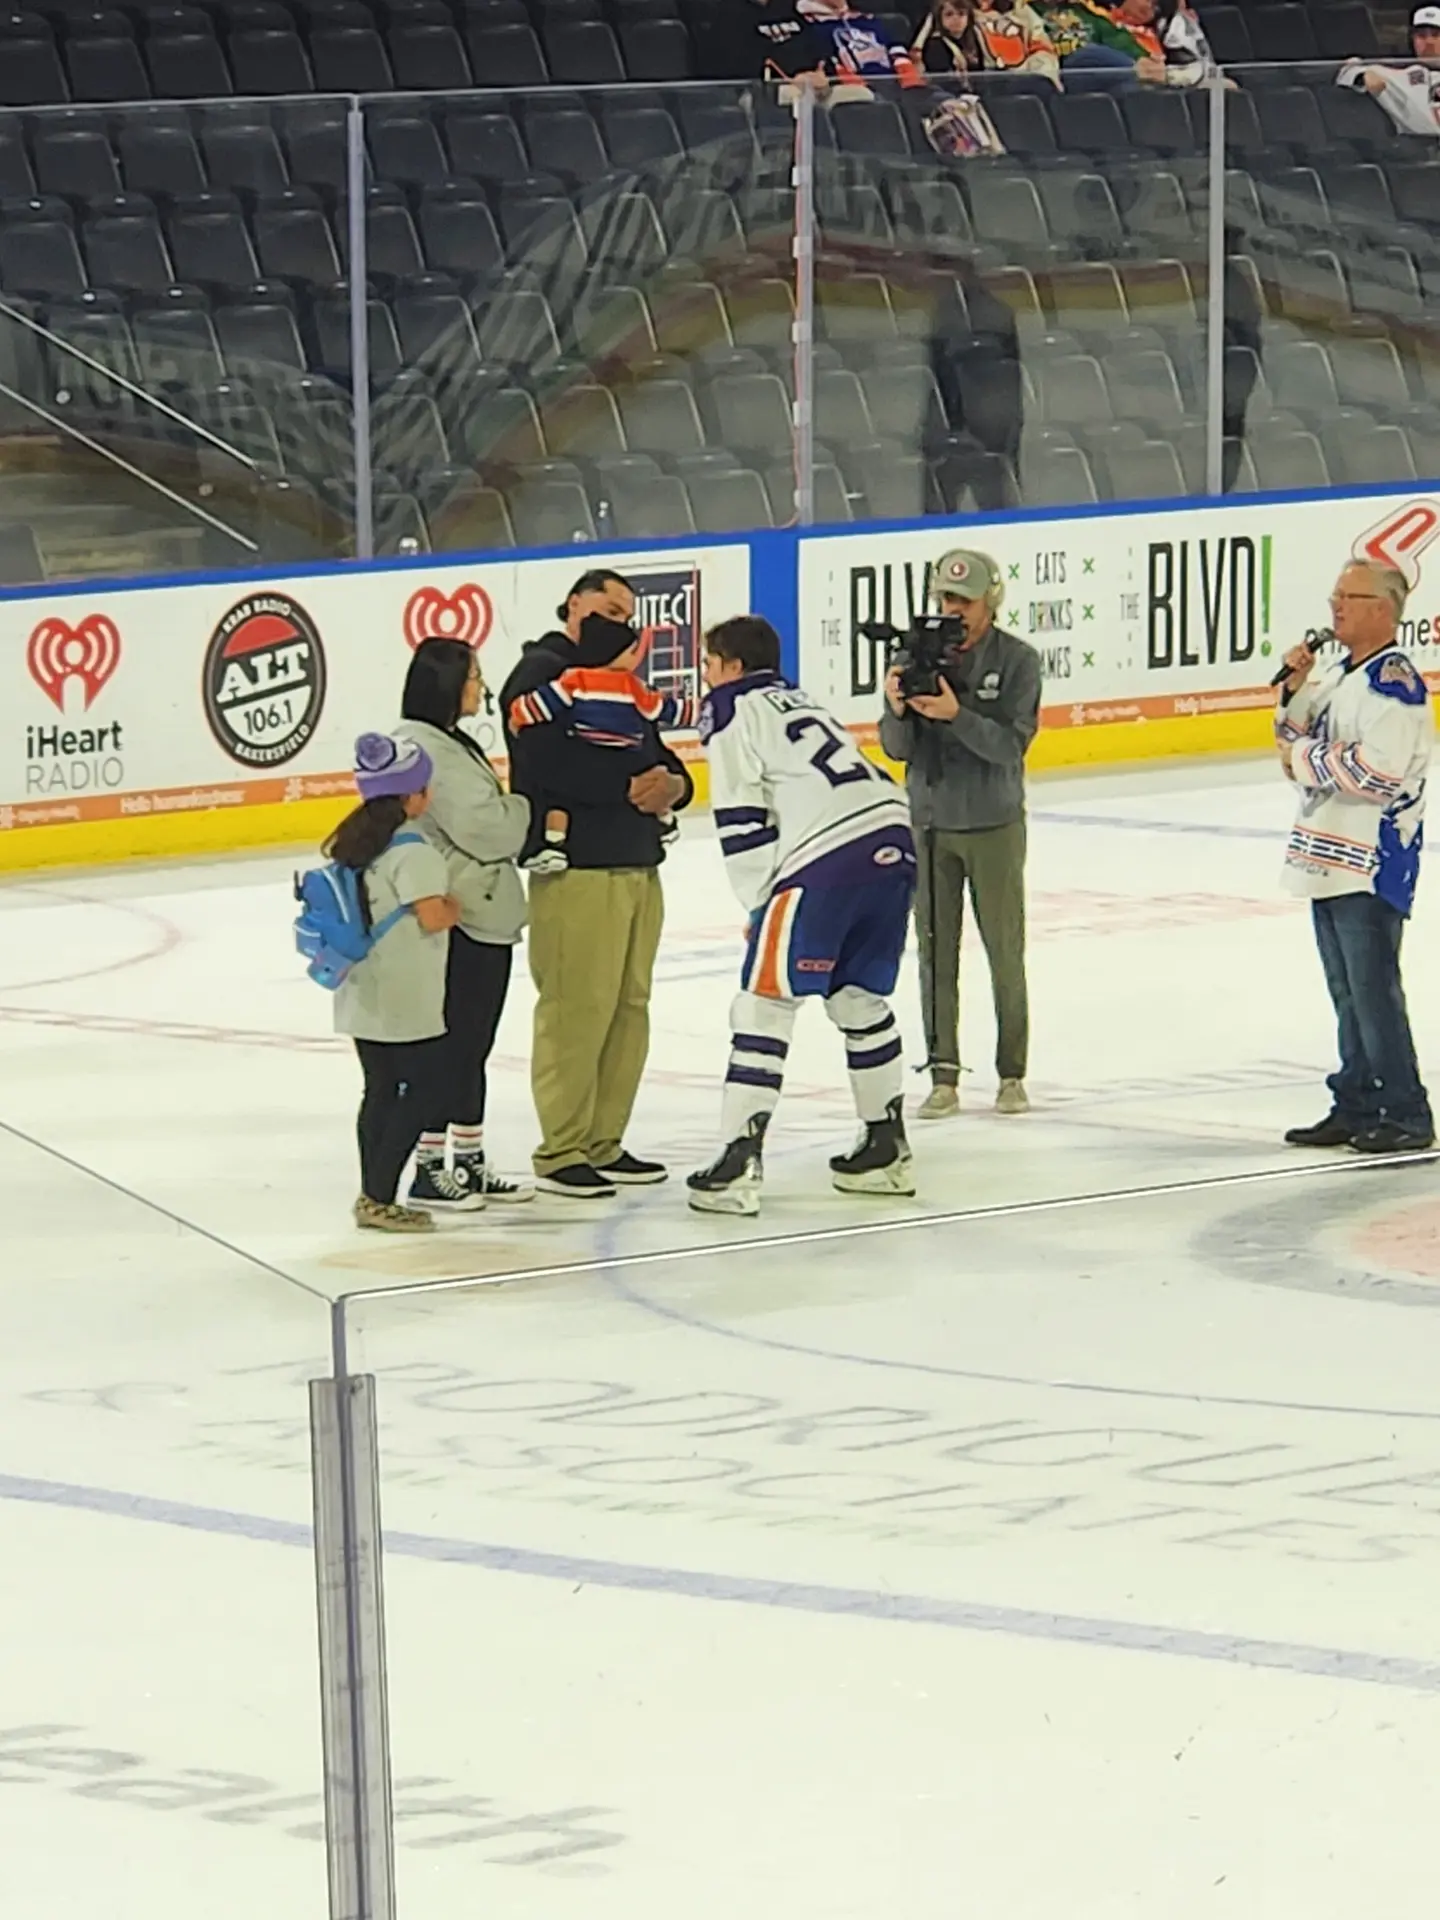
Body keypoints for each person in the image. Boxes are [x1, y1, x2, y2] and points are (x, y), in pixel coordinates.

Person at [687, 615, 917, 1216]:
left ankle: (738, 1160)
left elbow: (740, 811)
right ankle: (885, 1149)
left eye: (710, 664)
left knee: (764, 1000)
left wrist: (761, 901)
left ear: (733, 667)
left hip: (826, 855)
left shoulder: (731, 707)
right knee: (858, 998)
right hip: (894, 838)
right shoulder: (800, 700)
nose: (706, 677)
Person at [499, 569, 693, 1199]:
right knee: (577, 1007)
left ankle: (603, 1140)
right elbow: (544, 760)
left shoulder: (623, 681)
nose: (619, 620)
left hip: (638, 861)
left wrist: (677, 787)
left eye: (626, 613)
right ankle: (562, 1148)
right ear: (574, 605)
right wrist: (629, 787)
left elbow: (657, 749)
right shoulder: (543, 671)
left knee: (627, 1007)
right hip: (578, 866)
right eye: (607, 606)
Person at [1276, 560, 1434, 1155]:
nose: (1336, 605)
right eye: (1334, 594)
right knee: (1348, 990)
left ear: (1382, 610)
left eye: (1350, 596)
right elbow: (1288, 743)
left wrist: (1307, 754)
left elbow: (1376, 773)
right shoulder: (1342, 672)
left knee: (1373, 991)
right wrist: (1294, 693)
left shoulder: (1394, 686)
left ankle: (1407, 1111)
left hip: (1371, 858)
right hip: (1329, 855)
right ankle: (1357, 1099)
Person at [879, 548, 1041, 1120]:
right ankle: (942, 1073)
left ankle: (1011, 1072)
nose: (953, 612)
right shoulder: (913, 656)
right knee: (934, 954)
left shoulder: (1019, 660)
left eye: (964, 601)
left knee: (1004, 951)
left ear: (989, 602)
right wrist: (898, 707)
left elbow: (1009, 748)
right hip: (929, 824)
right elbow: (895, 749)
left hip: (993, 823)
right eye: (945, 600)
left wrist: (956, 715)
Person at [398, 637, 532, 1211]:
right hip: (461, 914)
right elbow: (490, 831)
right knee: (454, 1043)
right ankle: (429, 1166)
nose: (483, 687)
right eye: (475, 677)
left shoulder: (450, 743)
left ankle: (469, 1159)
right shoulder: (429, 749)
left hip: (481, 910)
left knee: (474, 1042)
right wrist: (525, 810)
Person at [330, 734, 460, 1234]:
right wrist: (456, 908)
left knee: (380, 1088)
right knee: (426, 1089)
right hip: (405, 988)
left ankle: (373, 1194)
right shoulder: (412, 850)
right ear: (412, 797)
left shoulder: (354, 841)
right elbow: (431, 915)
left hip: (363, 983)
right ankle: (380, 1196)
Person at [507, 622, 700, 874]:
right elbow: (664, 709)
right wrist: (700, 711)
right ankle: (550, 845)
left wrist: (519, 714)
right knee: (560, 799)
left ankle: (553, 842)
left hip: (637, 854)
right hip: (590, 864)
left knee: (653, 777)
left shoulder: (579, 681)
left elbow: (543, 703)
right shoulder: (622, 685)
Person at [1337, 9, 1440, 137]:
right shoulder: (1402, 75)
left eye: (1436, 35)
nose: (1429, 42)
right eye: (1421, 36)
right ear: (1412, 40)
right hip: (1423, 150)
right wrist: (1363, 75)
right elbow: (1346, 70)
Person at [913, 0, 1061, 87]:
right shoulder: (953, 8)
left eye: (959, 14)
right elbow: (919, 56)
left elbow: (1042, 48)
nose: (955, 17)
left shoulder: (1021, 11)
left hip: (1028, 74)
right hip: (989, 82)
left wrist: (1040, 73)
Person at [1034, 0, 1167, 87]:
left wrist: (1143, 58)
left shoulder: (1085, 12)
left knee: (1128, 84)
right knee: (1088, 54)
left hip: (1095, 85)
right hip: (1057, 80)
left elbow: (1117, 38)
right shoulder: (1023, 11)